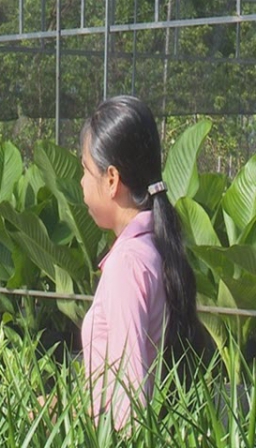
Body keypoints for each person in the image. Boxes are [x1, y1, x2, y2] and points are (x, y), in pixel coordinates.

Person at [77, 95, 207, 429]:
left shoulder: (128, 264)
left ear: (111, 179)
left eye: (84, 170)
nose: (80, 183)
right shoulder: (155, 247)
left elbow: (129, 398)